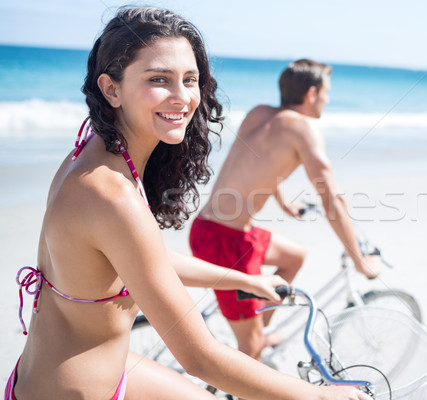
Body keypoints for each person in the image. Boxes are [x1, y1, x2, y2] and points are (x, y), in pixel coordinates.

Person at [5, 7, 371, 400]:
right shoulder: (110, 194)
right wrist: (320, 396)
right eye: (159, 79)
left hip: (93, 369)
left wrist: (245, 279)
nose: (182, 97)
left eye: (190, 79)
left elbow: (142, 257)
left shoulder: (91, 152)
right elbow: (201, 358)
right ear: (112, 89)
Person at [189, 59, 382, 361]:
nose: (328, 100)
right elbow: (332, 199)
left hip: (209, 227)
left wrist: (282, 201)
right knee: (250, 352)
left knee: (294, 256)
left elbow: (258, 160)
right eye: (326, 92)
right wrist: (359, 259)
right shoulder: (304, 130)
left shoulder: (260, 113)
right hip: (226, 242)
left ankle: (256, 330)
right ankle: (251, 344)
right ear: (311, 95)